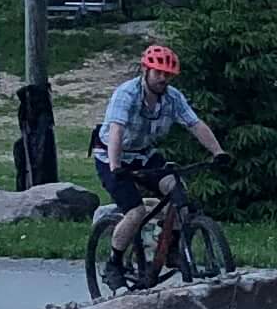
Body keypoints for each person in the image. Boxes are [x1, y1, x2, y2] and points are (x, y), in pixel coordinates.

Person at [93, 40, 226, 276]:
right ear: (145, 71)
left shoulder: (172, 98)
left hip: (144, 155)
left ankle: (172, 250)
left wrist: (218, 152)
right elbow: (116, 131)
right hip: (112, 156)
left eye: (168, 75)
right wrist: (115, 166)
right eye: (158, 73)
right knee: (135, 211)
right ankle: (113, 264)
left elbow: (195, 125)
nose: (163, 79)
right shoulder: (126, 94)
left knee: (178, 194)